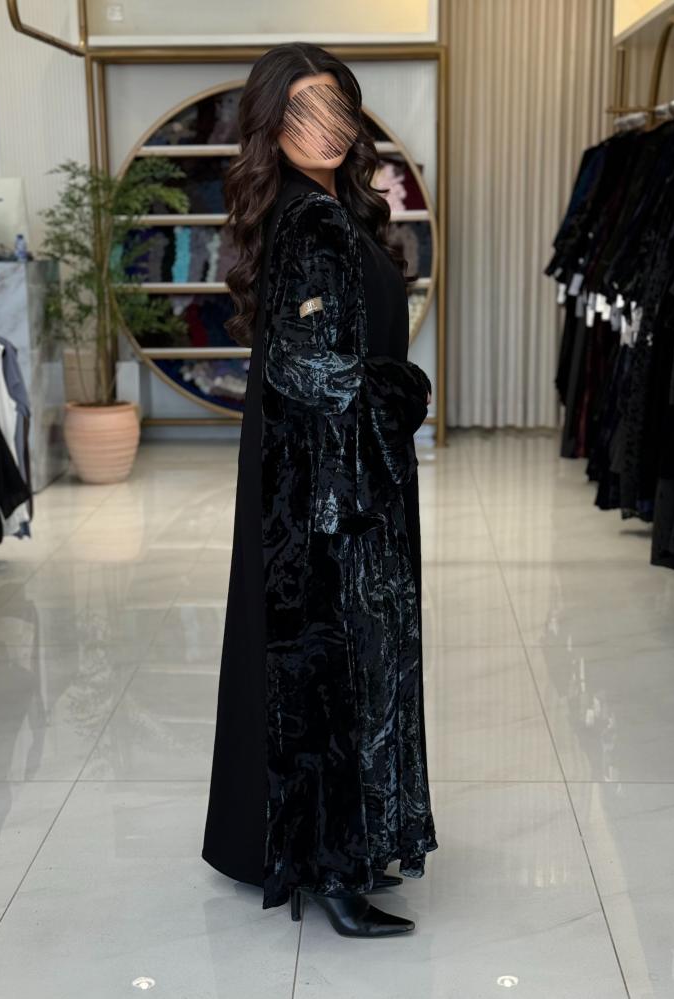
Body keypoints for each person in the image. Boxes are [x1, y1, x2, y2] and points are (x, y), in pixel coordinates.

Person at [201, 41, 438, 938]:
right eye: (300, 111)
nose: (325, 126)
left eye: (335, 105)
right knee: (338, 660)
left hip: (316, 471)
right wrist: (402, 392)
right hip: (333, 484)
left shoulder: (322, 207)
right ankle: (334, 871)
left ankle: (295, 842)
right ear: (270, 126)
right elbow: (311, 372)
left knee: (315, 657)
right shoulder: (312, 219)